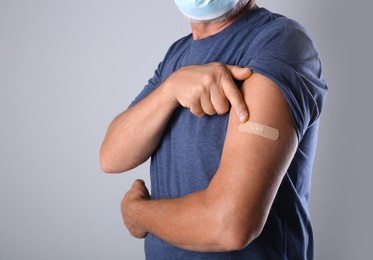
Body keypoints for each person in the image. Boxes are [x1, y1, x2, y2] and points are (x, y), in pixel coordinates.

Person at [100, 0, 327, 259]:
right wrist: (170, 90)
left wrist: (137, 214)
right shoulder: (178, 55)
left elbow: (229, 224)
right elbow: (111, 156)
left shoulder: (279, 41)